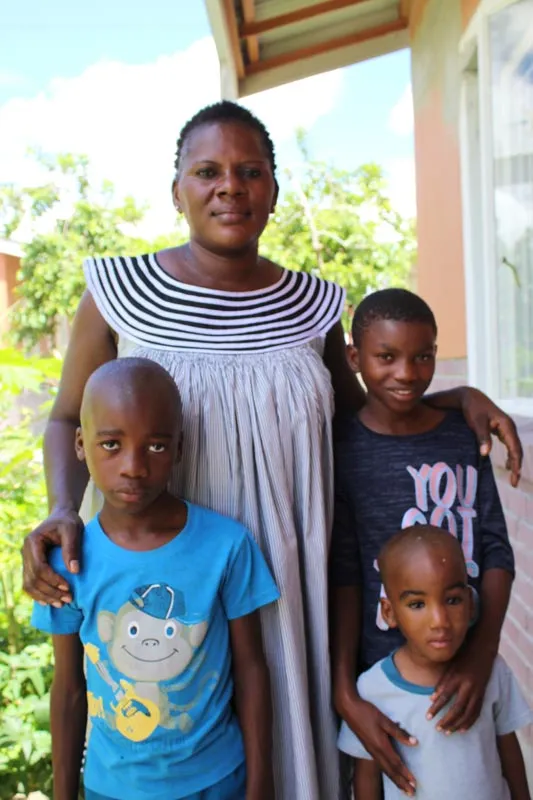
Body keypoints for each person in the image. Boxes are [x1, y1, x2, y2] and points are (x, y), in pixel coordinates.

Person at [22, 101, 522, 800]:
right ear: (177, 190)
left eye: (249, 171)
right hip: (166, 581)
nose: (230, 185)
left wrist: (456, 398)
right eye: (207, 171)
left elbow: (364, 417)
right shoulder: (118, 294)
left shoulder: (312, 307)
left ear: (273, 193)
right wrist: (59, 511)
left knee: (278, 757)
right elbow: (66, 420)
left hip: (289, 591)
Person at [31, 357, 279, 800]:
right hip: (113, 787)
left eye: (157, 447)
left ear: (180, 449)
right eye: (111, 444)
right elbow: (69, 688)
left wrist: (261, 786)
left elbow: (252, 669)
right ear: (80, 445)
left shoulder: (226, 546)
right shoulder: (67, 561)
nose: (134, 467)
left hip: (217, 781)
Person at [330, 288, 516, 795]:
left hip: (467, 658)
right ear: (355, 358)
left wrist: (481, 653)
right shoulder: (342, 446)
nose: (407, 374)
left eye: (423, 356)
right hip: (387, 673)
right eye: (386, 357)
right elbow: (345, 572)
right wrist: (346, 688)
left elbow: (496, 548)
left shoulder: (461, 434)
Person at [337, 525, 532, 800]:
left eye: (452, 600)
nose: (440, 621)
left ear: (471, 604)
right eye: (417, 604)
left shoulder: (490, 672)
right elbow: (367, 776)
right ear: (389, 613)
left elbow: (508, 750)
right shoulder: (372, 689)